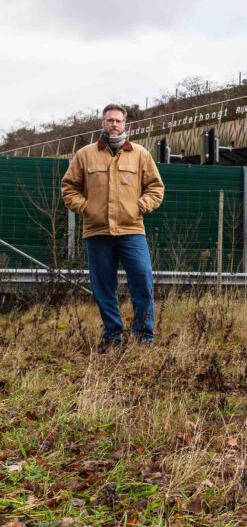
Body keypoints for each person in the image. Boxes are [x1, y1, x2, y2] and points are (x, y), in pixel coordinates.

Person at [62, 103, 164, 348]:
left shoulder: (141, 154)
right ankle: (112, 336)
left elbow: (156, 188)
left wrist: (138, 206)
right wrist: (87, 208)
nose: (114, 124)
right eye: (110, 120)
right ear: (103, 123)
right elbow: (68, 188)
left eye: (118, 120)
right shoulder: (85, 154)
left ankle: (144, 337)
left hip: (132, 230)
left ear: (125, 124)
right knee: (103, 287)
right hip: (96, 232)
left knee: (142, 281)